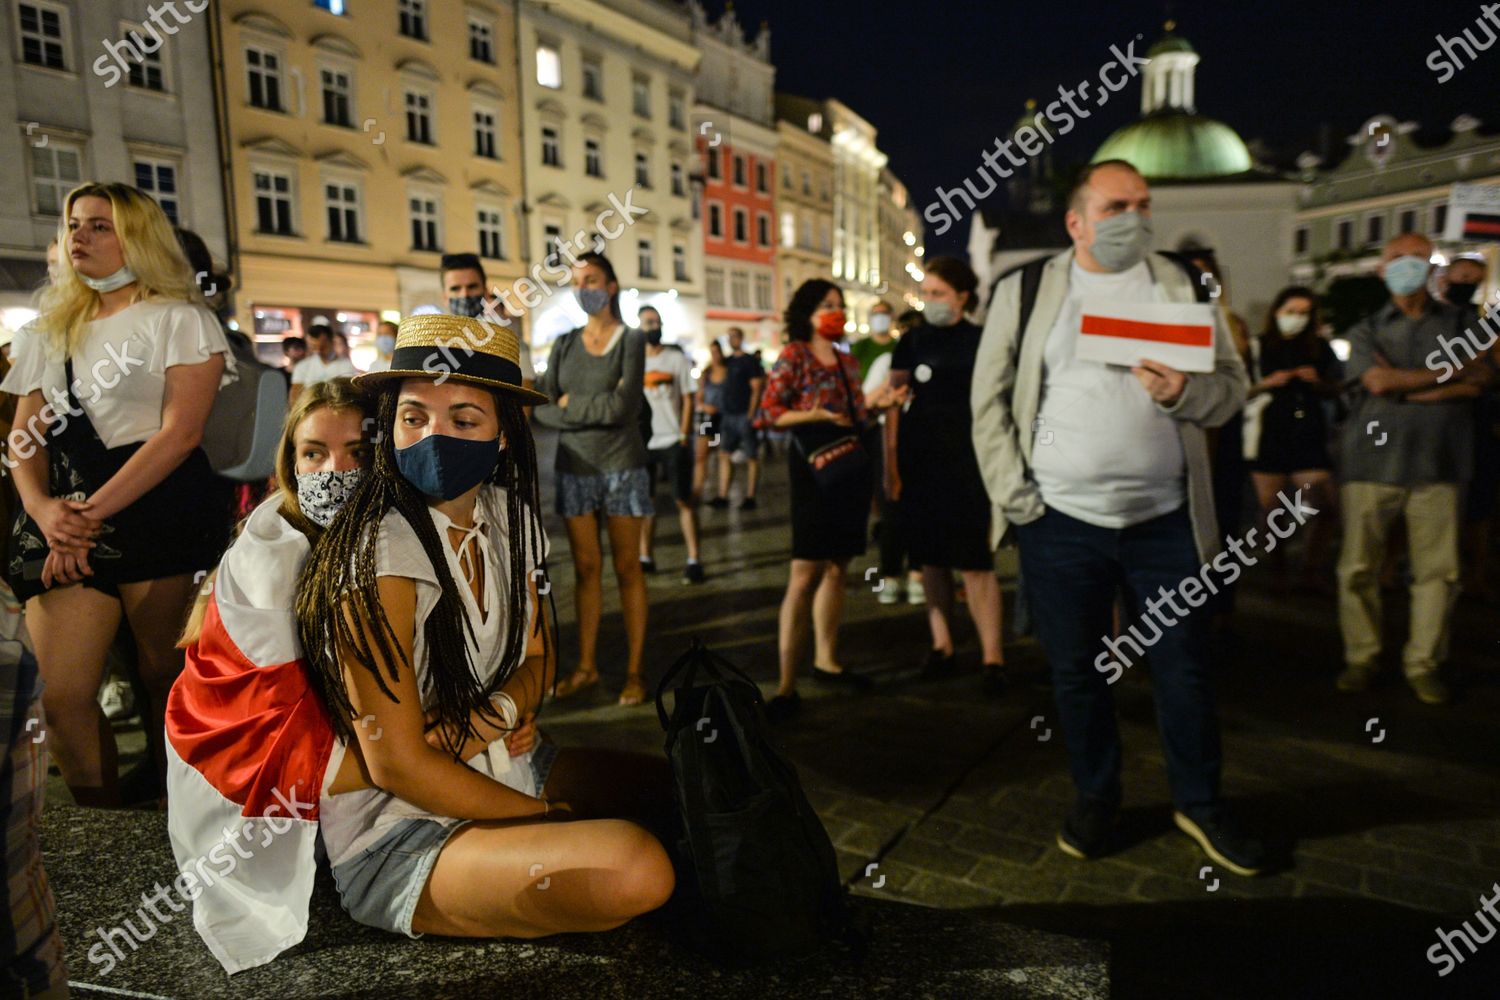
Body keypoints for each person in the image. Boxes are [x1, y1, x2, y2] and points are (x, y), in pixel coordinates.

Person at [299, 315, 673, 946]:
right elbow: (400, 769)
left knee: (681, 789)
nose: (433, 436)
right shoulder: (376, 553)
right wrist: (545, 816)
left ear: (503, 435)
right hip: (400, 830)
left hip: (509, 761)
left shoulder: (513, 515)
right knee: (634, 867)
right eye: (414, 417)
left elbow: (540, 661)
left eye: (464, 420)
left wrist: (484, 721)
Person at [970, 160, 1263, 875]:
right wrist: (1019, 502)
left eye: (1143, 203)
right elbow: (988, 403)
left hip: (1165, 523)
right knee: (1076, 674)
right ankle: (1097, 797)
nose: (1134, 216)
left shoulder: (1183, 284)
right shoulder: (1029, 288)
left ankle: (1200, 804)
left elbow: (1231, 390)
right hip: (1060, 523)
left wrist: (1181, 396)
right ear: (1077, 221)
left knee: (1184, 670)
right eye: (1115, 205)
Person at [3, 181, 234, 807]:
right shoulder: (48, 329)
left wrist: (85, 517)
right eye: (73, 224)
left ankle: (179, 810)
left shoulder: (183, 320)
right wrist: (45, 512)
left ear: (138, 236)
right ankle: (104, 826)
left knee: (167, 676)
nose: (78, 235)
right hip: (65, 514)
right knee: (61, 695)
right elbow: (25, 437)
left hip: (161, 509)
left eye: (99, 225)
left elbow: (179, 435)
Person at [167, 377, 377, 971]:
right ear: (290, 460)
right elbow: (290, 706)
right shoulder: (271, 549)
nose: (334, 470)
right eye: (314, 453)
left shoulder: (367, 532)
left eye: (357, 454)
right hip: (242, 754)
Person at [1336, 234, 1490, 704]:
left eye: (1417, 258)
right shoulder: (1365, 330)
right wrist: (1449, 376)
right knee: (1359, 569)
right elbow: (1376, 381)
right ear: (1382, 269)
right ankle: (1362, 657)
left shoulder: (1464, 321)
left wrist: (1412, 387)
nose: (1407, 265)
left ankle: (1423, 663)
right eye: (1396, 257)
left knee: (1437, 573)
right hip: (1370, 463)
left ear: (1432, 268)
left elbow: (1482, 377)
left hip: (1439, 464)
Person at [533, 253, 652, 705]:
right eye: (578, 281)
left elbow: (626, 408)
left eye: (593, 279)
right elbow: (541, 405)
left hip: (623, 465)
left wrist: (570, 407)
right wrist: (574, 407)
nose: (585, 288)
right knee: (585, 569)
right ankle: (586, 666)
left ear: (612, 285)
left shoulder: (632, 340)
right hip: (575, 467)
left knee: (627, 568)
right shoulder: (564, 343)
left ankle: (636, 671)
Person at [756, 280, 875, 723]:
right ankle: (786, 683)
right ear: (806, 313)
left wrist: (883, 404)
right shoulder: (794, 355)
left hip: (847, 465)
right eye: (827, 305)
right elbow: (769, 412)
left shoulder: (847, 359)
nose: (835, 312)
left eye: (839, 306)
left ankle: (828, 661)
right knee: (804, 573)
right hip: (810, 466)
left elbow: (861, 414)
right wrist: (818, 415)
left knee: (838, 567)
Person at [886, 257, 1006, 693]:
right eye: (928, 293)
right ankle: (943, 645)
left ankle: (993, 655)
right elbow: (893, 403)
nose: (929, 301)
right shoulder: (913, 341)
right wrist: (892, 465)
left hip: (969, 461)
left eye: (938, 293)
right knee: (931, 559)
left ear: (963, 297)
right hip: (922, 461)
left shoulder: (984, 339)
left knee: (976, 562)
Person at [1244, 287, 1341, 587]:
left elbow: (1337, 386)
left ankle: (1311, 568)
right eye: (1290, 312)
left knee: (1323, 503)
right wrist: (1268, 383)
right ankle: (1278, 569)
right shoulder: (1257, 347)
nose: (1296, 319)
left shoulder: (1319, 347)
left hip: (1307, 432)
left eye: (1303, 313)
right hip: (1268, 433)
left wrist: (1319, 382)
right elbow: (1240, 391)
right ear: (1276, 312)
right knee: (1273, 511)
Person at [638, 306, 704, 583]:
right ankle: (645, 556)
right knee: (646, 502)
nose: (655, 326)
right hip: (644, 441)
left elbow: (690, 398)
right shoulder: (634, 360)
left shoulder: (676, 358)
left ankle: (693, 559)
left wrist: (684, 434)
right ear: (639, 327)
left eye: (658, 321)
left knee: (683, 499)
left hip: (673, 438)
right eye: (649, 322)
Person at [865, 309, 925, 606]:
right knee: (891, 513)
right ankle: (890, 576)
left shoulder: (931, 366)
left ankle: (917, 574)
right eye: (906, 331)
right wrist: (889, 387)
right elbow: (866, 402)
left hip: (923, 445)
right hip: (888, 445)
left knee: (921, 512)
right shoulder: (886, 362)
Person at [441, 253, 536, 394]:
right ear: (445, 297)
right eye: (456, 288)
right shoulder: (436, 344)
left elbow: (525, 393)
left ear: (485, 292)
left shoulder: (510, 341)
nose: (465, 295)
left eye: (472, 287)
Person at [713, 327, 765, 510]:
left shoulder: (749, 361)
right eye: (728, 337)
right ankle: (722, 495)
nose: (730, 339)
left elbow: (757, 388)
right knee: (724, 454)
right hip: (728, 414)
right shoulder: (727, 362)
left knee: (751, 455)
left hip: (743, 414)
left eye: (733, 336)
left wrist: (751, 413)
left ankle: (750, 496)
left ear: (741, 338)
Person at [289, 318, 355, 404]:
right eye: (314, 347)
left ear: (332, 341)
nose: (319, 351)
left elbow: (349, 394)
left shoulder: (346, 365)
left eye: (323, 347)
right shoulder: (303, 366)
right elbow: (295, 396)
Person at [694, 339, 729, 500]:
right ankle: (698, 490)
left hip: (722, 420)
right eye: (712, 352)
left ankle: (721, 492)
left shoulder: (728, 371)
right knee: (702, 455)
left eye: (717, 352)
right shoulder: (706, 373)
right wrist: (704, 405)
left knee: (721, 454)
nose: (715, 355)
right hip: (706, 420)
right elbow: (698, 397)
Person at [851, 301, 897, 382]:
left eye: (884, 313)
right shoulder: (860, 347)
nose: (880, 317)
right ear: (870, 318)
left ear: (891, 316)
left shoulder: (899, 347)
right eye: (876, 314)